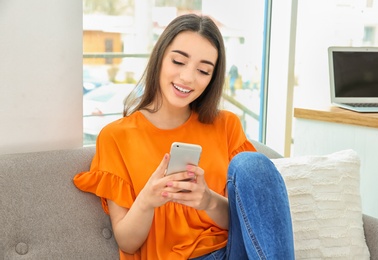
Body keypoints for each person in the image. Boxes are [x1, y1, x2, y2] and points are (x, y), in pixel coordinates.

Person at [73, 14, 295, 260]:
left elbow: (250, 223)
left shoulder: (226, 125)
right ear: (160, 58)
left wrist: (208, 200)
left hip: (234, 252)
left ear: (212, 78)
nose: (188, 77)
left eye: (203, 70)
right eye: (179, 61)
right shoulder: (116, 136)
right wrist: (146, 201)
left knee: (253, 164)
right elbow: (127, 243)